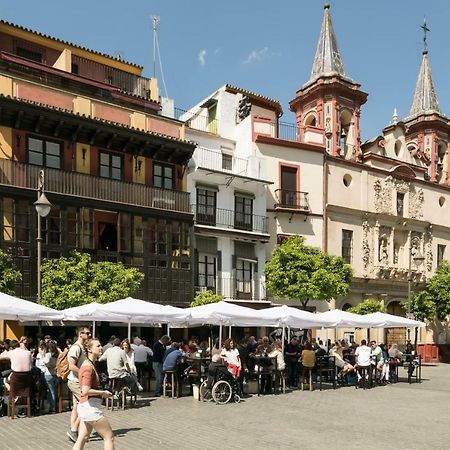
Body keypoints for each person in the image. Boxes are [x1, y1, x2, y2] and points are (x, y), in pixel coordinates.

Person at [73, 338, 114, 450]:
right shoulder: (88, 367)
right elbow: (85, 390)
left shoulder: (90, 364)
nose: (101, 348)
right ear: (89, 349)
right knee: (108, 437)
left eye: (101, 346)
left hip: (86, 406)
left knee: (82, 437)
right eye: (98, 346)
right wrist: (103, 393)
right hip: (90, 407)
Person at [67, 326, 91, 443]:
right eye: (87, 333)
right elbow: (71, 365)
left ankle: (73, 430)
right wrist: (83, 373)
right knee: (86, 405)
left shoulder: (81, 347)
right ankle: (74, 430)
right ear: (80, 334)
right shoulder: (76, 347)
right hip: (76, 381)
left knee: (77, 406)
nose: (89, 335)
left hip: (76, 380)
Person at [0, 339, 33, 414]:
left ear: (11, 347)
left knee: (5, 380)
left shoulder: (12, 352)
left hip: (16, 377)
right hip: (27, 377)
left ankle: (13, 394)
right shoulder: (28, 352)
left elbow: (1, 356)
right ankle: (20, 399)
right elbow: (31, 365)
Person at [35, 340, 60, 412]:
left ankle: (52, 407)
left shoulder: (48, 355)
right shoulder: (58, 354)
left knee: (51, 391)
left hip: (49, 375)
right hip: (56, 375)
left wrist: (43, 356)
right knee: (52, 391)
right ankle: (50, 405)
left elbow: (45, 362)